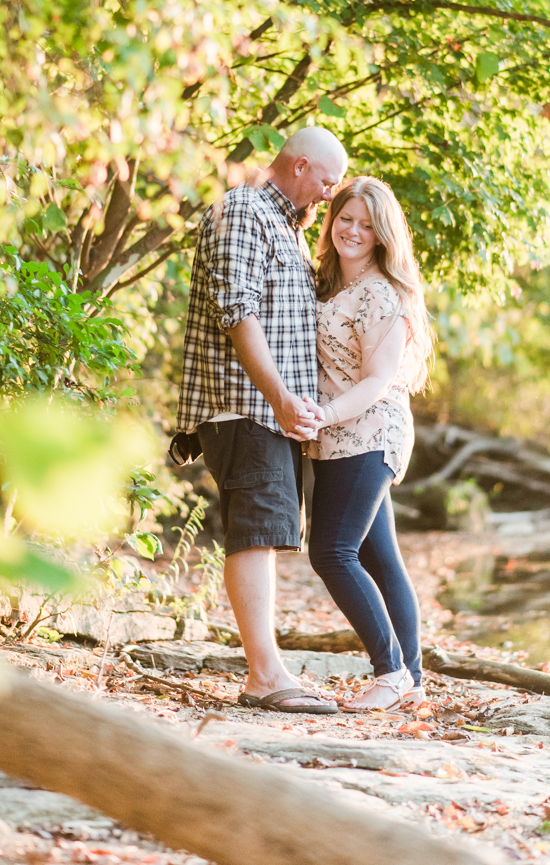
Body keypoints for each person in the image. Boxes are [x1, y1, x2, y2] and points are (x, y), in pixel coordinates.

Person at [176, 126, 348, 713]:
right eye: (327, 180)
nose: (330, 194)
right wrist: (277, 397)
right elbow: (237, 310)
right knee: (256, 530)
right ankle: (265, 677)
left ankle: (268, 669)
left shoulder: (288, 229)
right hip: (244, 405)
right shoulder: (243, 210)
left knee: (268, 531)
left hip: (269, 412)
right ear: (300, 167)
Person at [306, 176, 434, 712]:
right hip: (339, 436)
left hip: (369, 431)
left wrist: (325, 414)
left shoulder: (381, 291)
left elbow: (377, 380)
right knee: (380, 556)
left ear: (383, 234)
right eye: (345, 219)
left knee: (331, 552)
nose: (353, 231)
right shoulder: (332, 283)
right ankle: (414, 680)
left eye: (366, 224)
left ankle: (390, 672)